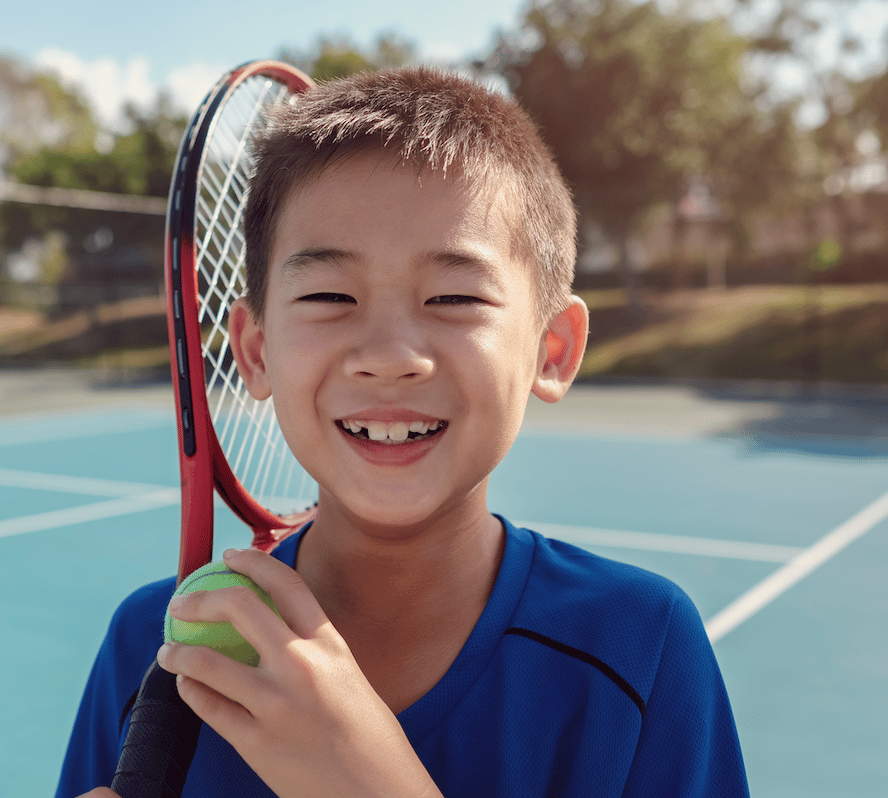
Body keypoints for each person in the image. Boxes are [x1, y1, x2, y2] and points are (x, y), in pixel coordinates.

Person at [57, 66, 749, 798]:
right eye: (329, 295)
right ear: (256, 352)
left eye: (453, 296)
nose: (390, 358)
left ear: (553, 349)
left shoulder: (639, 645)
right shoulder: (152, 646)